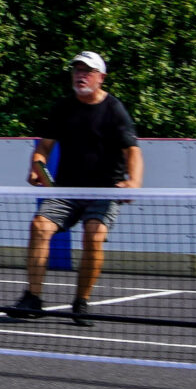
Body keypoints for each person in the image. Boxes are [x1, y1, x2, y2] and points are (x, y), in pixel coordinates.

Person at [8, 51, 143, 327]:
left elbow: (133, 152)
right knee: (39, 226)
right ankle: (32, 298)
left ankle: (81, 303)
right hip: (67, 190)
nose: (81, 75)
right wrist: (37, 167)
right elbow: (43, 148)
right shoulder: (62, 108)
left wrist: (133, 183)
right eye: (77, 70)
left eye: (88, 71)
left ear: (101, 78)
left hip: (105, 191)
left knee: (93, 236)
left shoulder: (114, 110)